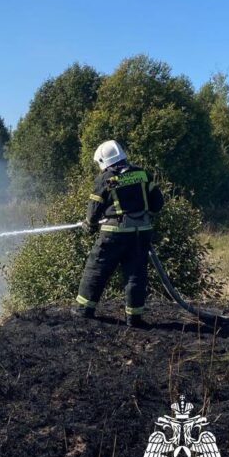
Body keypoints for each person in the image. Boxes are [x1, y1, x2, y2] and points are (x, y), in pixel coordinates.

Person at [72, 140, 164, 328]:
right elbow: (158, 203)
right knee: (135, 274)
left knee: (96, 267)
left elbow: (94, 210)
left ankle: (83, 309)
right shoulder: (142, 174)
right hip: (141, 232)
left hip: (114, 233)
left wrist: (89, 224)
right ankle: (134, 318)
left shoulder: (106, 178)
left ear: (103, 161)